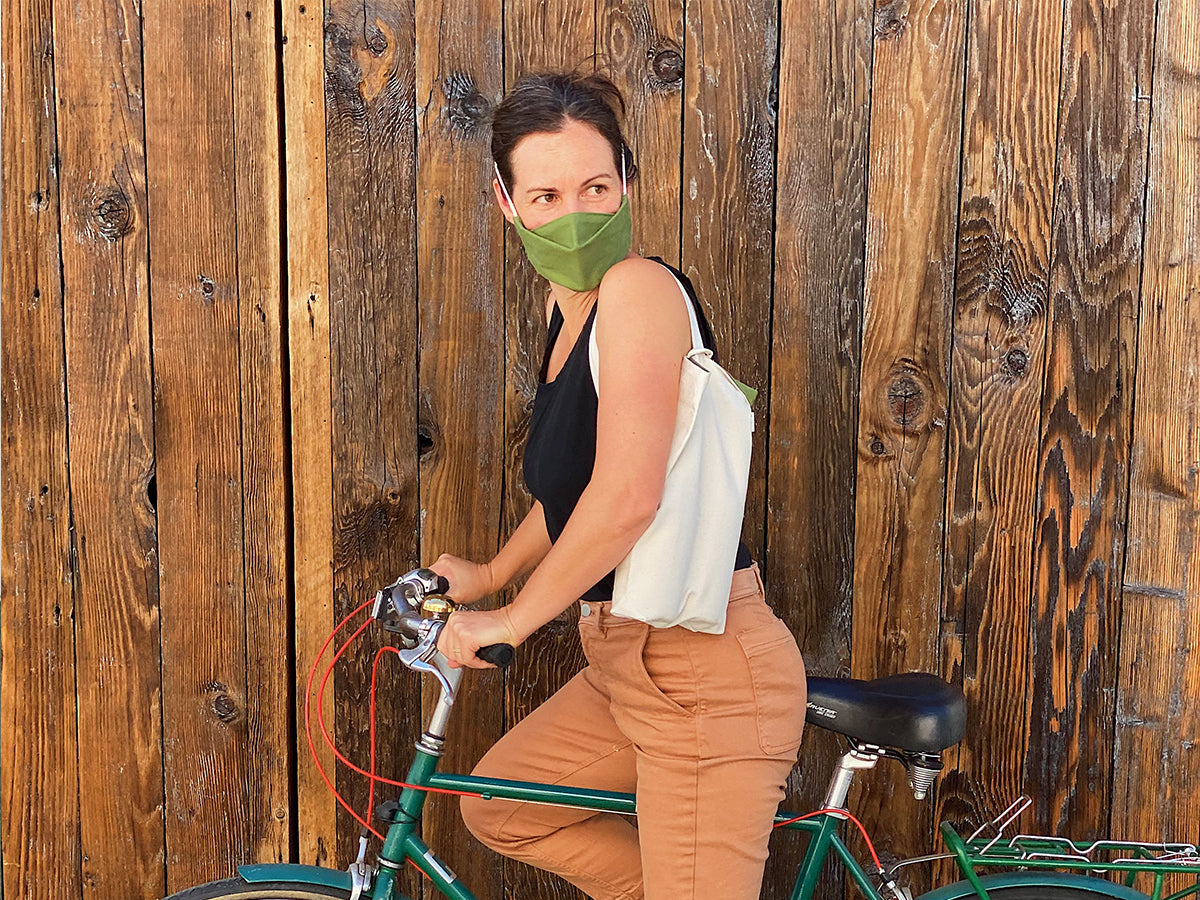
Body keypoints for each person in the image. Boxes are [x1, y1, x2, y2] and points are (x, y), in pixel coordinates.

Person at [431, 71, 807, 900]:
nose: (574, 215)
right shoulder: (569, 314)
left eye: (596, 186)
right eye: (547, 195)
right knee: (502, 807)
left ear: (628, 181)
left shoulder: (638, 291)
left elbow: (628, 496)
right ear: (507, 203)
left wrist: (514, 619)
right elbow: (575, 491)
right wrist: (491, 573)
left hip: (703, 668)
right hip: (625, 662)